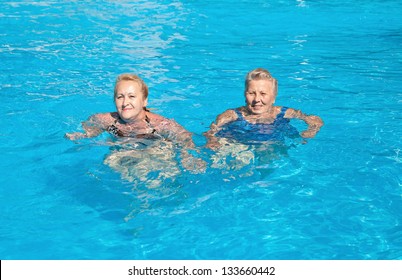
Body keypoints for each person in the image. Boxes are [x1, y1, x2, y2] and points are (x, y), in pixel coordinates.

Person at [66, 73, 204, 183]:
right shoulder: (106, 120)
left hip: (155, 153)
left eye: (132, 96)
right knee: (111, 161)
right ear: (115, 100)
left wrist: (188, 156)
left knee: (162, 170)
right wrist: (82, 136)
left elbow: (185, 138)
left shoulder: (160, 124)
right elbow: (90, 128)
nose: (125, 103)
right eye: (120, 97)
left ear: (144, 101)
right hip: (122, 154)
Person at [204, 67, 324, 149]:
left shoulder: (284, 112)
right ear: (245, 95)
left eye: (263, 94)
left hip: (271, 147)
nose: (257, 99)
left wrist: (310, 131)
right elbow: (211, 131)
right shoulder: (232, 115)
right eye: (251, 93)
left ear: (273, 97)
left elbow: (316, 120)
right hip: (239, 147)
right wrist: (212, 140)